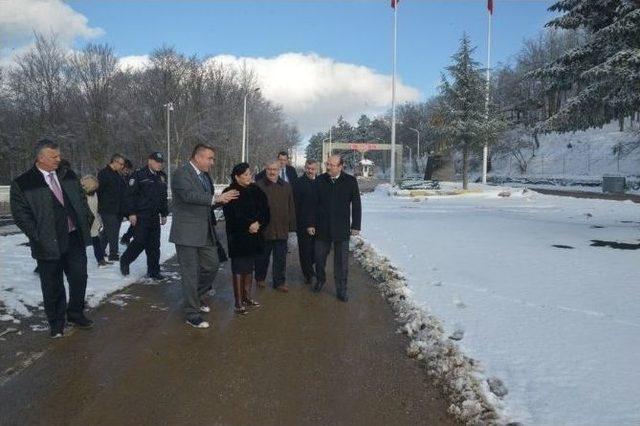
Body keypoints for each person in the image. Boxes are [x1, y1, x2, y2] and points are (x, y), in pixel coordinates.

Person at [10, 139, 94, 338]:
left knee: (79, 277)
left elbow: (82, 200)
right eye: (53, 156)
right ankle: (56, 323)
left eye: (59, 155)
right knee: (52, 284)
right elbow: (21, 214)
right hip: (47, 242)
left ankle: (75, 313)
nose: (59, 159)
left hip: (74, 238)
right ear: (40, 158)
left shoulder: (68, 174)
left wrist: (86, 219)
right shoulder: (24, 183)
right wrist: (37, 235)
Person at [170, 144, 238, 329]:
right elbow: (188, 195)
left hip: (205, 231)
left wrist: (223, 200)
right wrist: (215, 199)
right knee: (190, 274)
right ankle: (192, 313)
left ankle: (196, 296)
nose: (212, 162)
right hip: (186, 234)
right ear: (197, 157)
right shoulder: (181, 173)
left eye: (213, 158)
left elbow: (206, 202)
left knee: (212, 265)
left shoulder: (205, 176)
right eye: (210, 158)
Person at [308, 155, 361, 302]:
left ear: (340, 166)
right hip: (322, 227)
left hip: (341, 228)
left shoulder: (350, 181)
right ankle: (320, 280)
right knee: (319, 258)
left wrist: (356, 225)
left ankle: (342, 289)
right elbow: (313, 204)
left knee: (341, 262)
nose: (328, 167)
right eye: (327, 164)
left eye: (331, 165)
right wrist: (311, 224)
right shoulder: (319, 180)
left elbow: (356, 205)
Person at [222, 163, 270, 314]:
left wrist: (259, 223)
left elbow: (266, 209)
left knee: (249, 267)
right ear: (237, 177)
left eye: (250, 174)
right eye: (246, 175)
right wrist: (248, 225)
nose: (249, 177)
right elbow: (232, 216)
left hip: (255, 236)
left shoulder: (256, 189)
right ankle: (238, 303)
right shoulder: (230, 192)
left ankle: (247, 297)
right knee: (238, 268)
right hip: (238, 237)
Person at [119, 152, 169, 280]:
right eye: (157, 161)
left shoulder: (162, 176)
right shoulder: (139, 174)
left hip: (154, 216)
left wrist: (164, 213)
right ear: (149, 161)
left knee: (154, 245)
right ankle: (125, 260)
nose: (159, 164)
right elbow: (129, 195)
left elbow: (163, 197)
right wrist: (131, 213)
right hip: (141, 215)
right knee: (139, 242)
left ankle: (153, 271)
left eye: (161, 162)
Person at [254, 161, 296, 292]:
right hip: (264, 229)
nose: (272, 172)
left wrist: (292, 226)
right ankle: (260, 278)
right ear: (265, 170)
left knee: (280, 258)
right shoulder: (258, 186)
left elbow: (291, 206)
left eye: (275, 169)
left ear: (279, 170)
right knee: (262, 257)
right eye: (269, 169)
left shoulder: (287, 186)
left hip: (281, 229)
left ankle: (279, 282)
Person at [292, 159, 319, 285]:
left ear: (317, 169)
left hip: (319, 223)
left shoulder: (321, 182)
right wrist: (307, 224)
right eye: (308, 168)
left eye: (313, 169)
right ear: (305, 168)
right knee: (305, 251)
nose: (310, 171)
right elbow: (296, 207)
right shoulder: (298, 183)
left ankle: (310, 269)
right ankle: (308, 275)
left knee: (316, 251)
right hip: (303, 224)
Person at [97, 154, 126, 261]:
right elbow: (99, 191)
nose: (122, 166)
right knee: (113, 231)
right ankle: (113, 254)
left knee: (107, 231)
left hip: (117, 208)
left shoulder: (117, 175)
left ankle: (100, 250)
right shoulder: (104, 174)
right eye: (121, 164)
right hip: (107, 208)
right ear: (114, 161)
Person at [80, 175, 111, 268]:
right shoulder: (81, 196)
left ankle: (101, 260)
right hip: (85, 223)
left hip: (92, 222)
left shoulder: (93, 194)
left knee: (96, 241)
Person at [120, 159, 135, 246]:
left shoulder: (130, 178)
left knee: (136, 223)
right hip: (118, 206)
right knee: (110, 230)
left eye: (128, 169)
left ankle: (126, 238)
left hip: (127, 206)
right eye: (126, 169)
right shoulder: (117, 176)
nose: (127, 171)